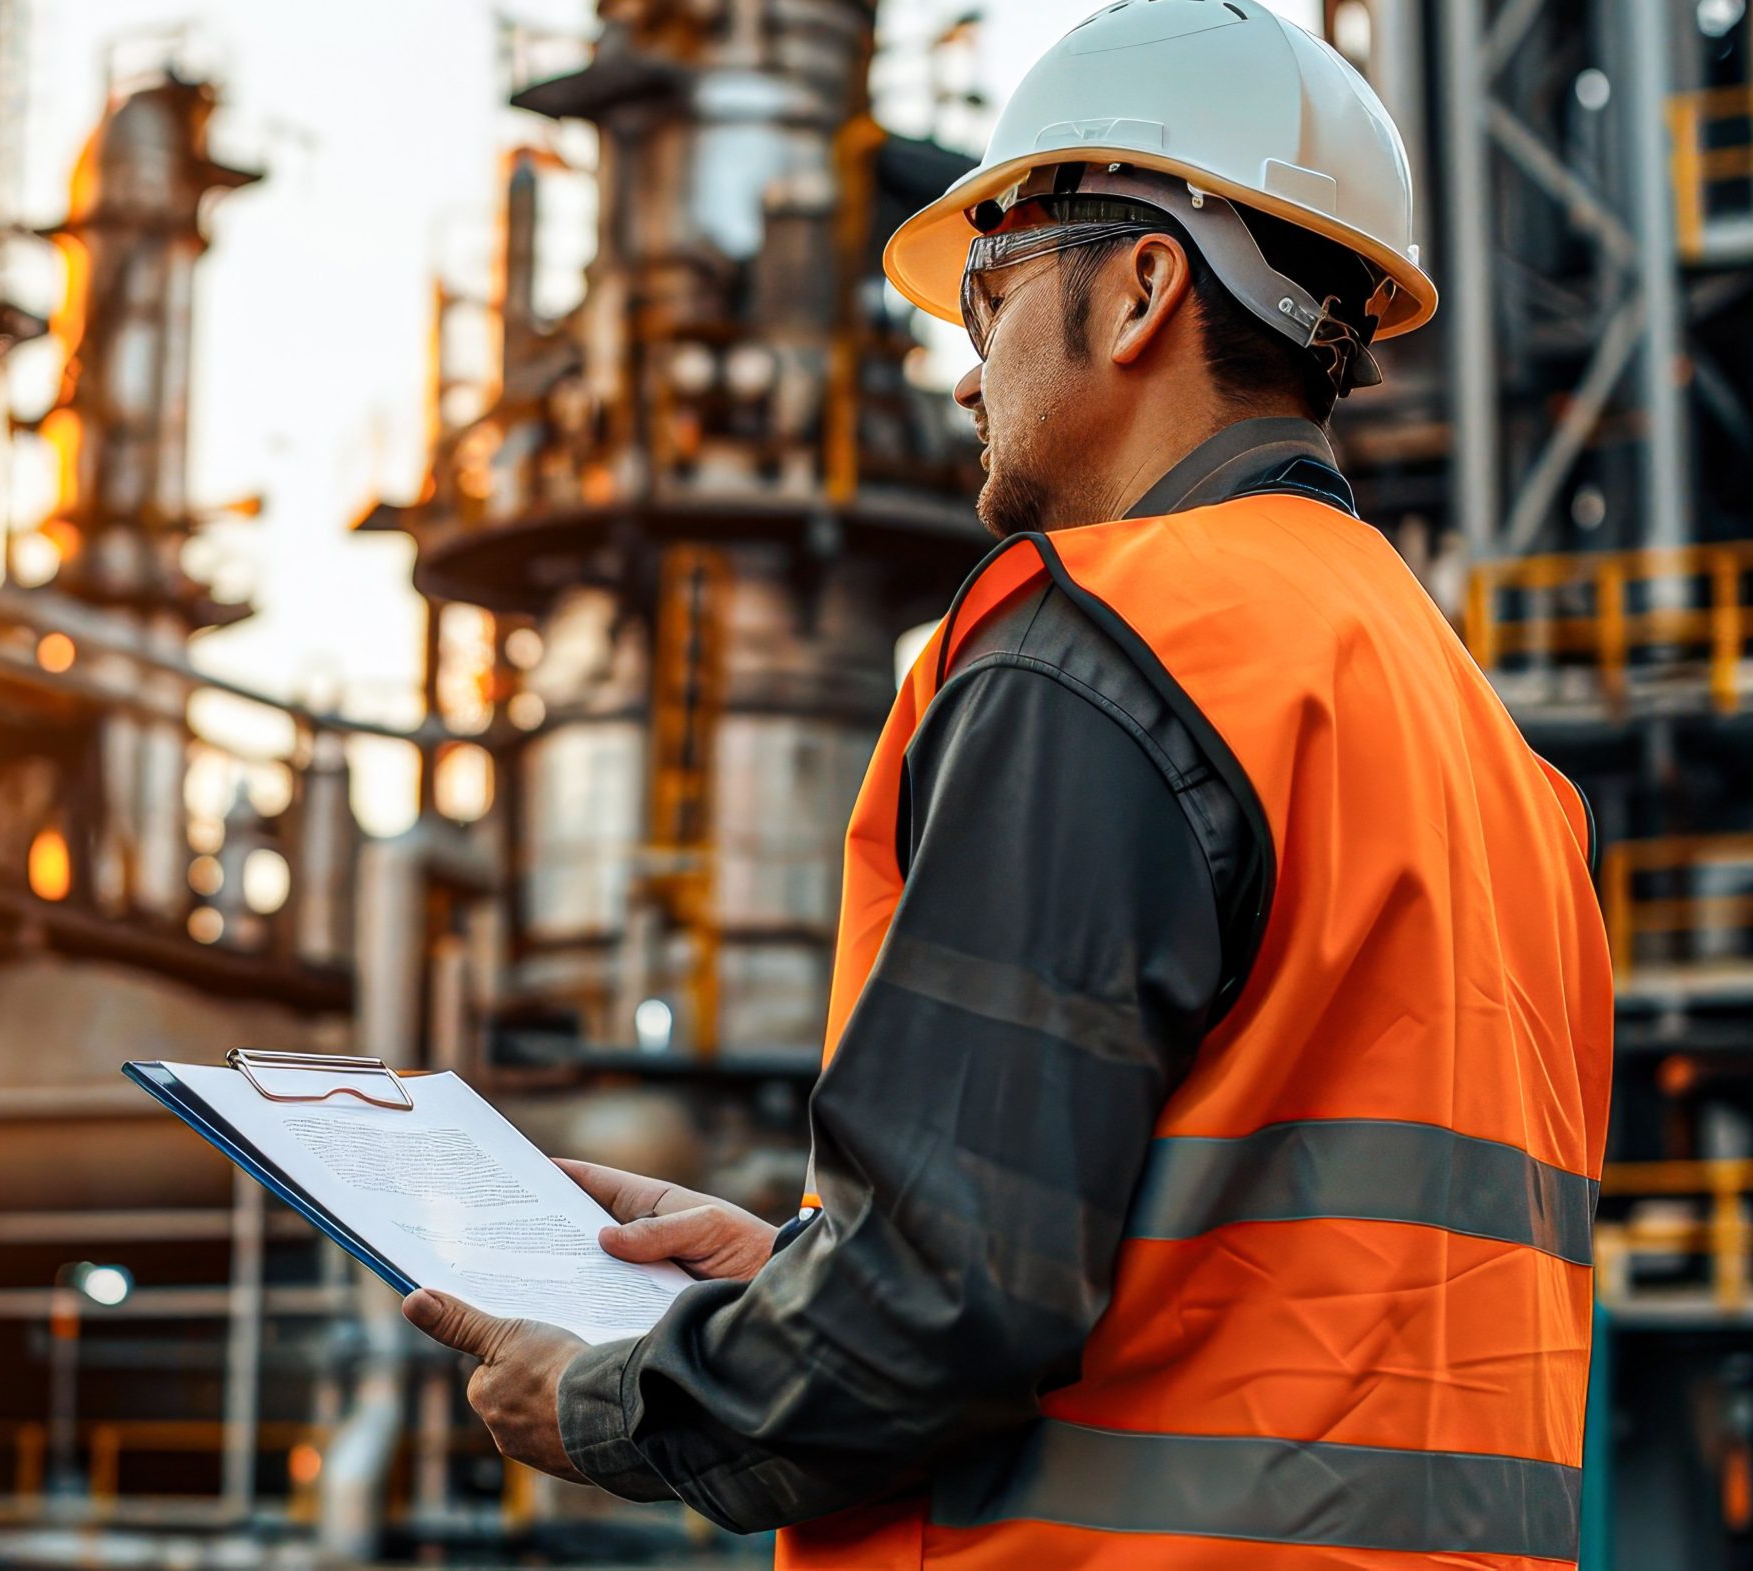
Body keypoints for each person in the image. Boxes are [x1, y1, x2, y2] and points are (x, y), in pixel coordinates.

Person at [404, 8, 1613, 1567]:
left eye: (990, 287)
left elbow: (946, 1307)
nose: (963, 366)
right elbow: (1243, 1268)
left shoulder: (1102, 646)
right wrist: (789, 1268)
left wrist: (615, 1399)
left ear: (1139, 290)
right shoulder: (1489, 751)